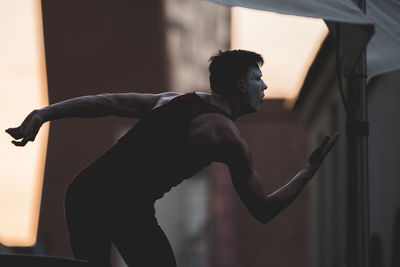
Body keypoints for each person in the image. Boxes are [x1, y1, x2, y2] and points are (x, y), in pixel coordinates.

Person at [6, 49, 339, 267]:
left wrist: (45, 113)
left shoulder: (172, 100)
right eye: (257, 78)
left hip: (83, 192)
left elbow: (106, 101)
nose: (264, 86)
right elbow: (263, 209)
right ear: (240, 84)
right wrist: (309, 170)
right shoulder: (227, 137)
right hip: (123, 205)